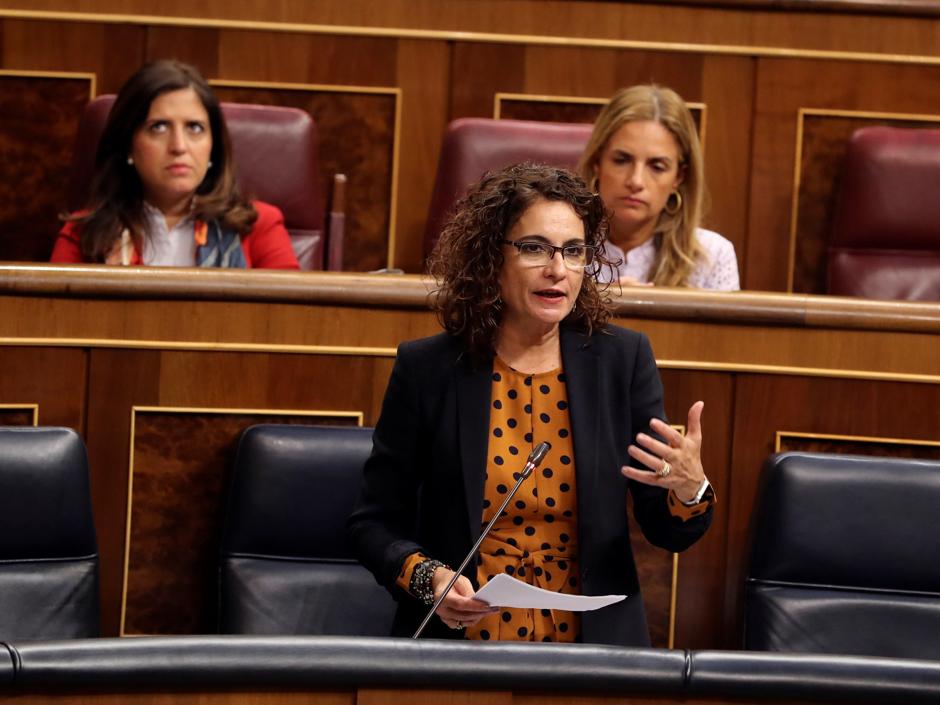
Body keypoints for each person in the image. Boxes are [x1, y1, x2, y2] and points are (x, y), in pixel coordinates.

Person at [348, 163, 715, 646]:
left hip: (592, 650)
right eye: (534, 248)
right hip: (465, 643)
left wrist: (689, 489)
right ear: (489, 259)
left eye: (573, 251)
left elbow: (669, 530)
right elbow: (373, 523)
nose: (557, 269)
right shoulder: (429, 369)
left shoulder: (622, 361)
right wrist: (431, 580)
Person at [51, 60, 298, 269]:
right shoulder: (83, 234)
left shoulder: (258, 227)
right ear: (128, 144)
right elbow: (56, 322)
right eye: (158, 127)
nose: (179, 146)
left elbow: (291, 322)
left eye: (194, 128)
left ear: (214, 146)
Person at [579, 84, 738, 290]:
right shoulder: (559, 246)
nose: (636, 181)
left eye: (657, 166)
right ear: (597, 162)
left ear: (678, 177)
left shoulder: (712, 255)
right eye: (621, 160)